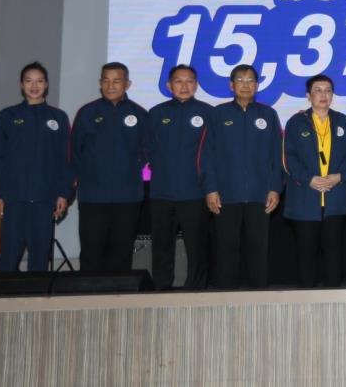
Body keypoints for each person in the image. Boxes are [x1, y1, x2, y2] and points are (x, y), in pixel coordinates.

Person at [200, 64, 282, 289]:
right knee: (226, 249)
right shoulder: (218, 114)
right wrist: (210, 189)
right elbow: (207, 155)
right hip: (226, 195)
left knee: (258, 249)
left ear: (256, 86)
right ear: (231, 85)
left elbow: (277, 155)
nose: (245, 85)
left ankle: (259, 296)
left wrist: (275, 188)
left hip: (260, 195)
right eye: (240, 80)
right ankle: (226, 297)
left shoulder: (268, 114)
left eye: (250, 81)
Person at [0, 62, 71, 272]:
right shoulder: (7, 116)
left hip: (44, 200)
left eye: (39, 81)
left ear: (47, 85)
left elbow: (66, 160)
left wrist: (63, 193)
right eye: (29, 81)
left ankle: (37, 302)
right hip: (11, 201)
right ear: (22, 85)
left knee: (40, 261)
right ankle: (5, 302)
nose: (34, 86)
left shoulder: (58, 118)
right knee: (7, 261)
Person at [72, 62, 147, 272]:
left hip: (128, 197)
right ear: (99, 83)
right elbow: (74, 152)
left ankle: (119, 299)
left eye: (116, 81)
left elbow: (147, 151)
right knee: (91, 252)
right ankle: (88, 298)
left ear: (127, 84)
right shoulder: (87, 113)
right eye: (106, 80)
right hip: (92, 197)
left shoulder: (140, 114)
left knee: (122, 253)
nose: (110, 85)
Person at [283, 74, 346, 288]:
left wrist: (340, 176)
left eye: (328, 90)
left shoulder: (343, 121)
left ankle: (334, 296)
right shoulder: (296, 122)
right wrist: (309, 179)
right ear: (308, 95)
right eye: (318, 90)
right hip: (306, 198)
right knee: (306, 253)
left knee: (334, 252)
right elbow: (289, 157)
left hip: (335, 198)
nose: (323, 95)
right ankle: (306, 297)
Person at [144, 64, 213, 290]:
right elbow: (148, 150)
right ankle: (162, 288)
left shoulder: (208, 113)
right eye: (178, 81)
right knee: (162, 245)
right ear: (168, 85)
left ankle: (196, 289)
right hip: (162, 192)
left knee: (197, 246)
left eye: (189, 81)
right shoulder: (156, 113)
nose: (184, 86)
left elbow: (214, 152)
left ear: (196, 84)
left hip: (195, 192)